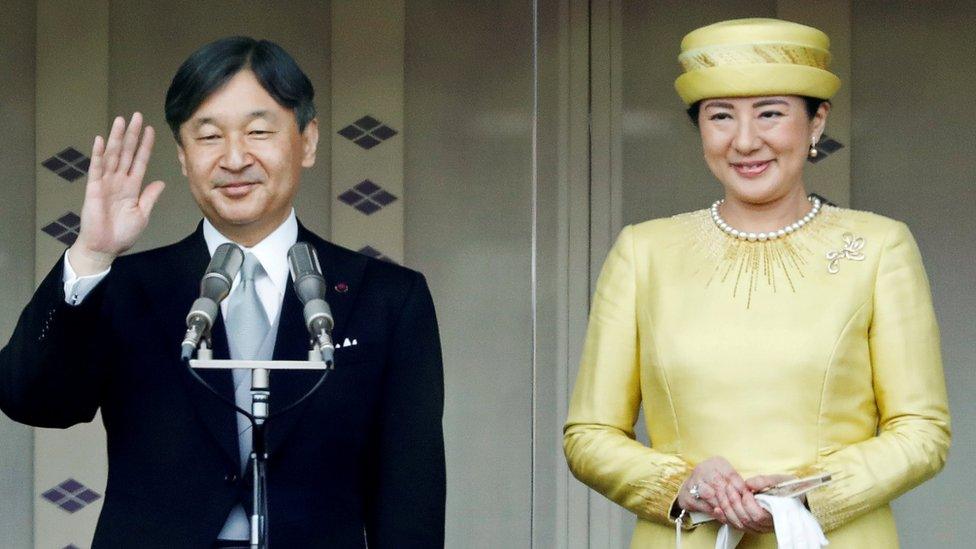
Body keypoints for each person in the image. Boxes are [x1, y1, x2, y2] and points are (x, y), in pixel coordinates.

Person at [0, 36, 445, 548]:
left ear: (308, 140)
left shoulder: (386, 298)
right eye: (208, 136)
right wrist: (92, 254)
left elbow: (411, 491)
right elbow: (30, 399)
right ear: (184, 157)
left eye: (259, 131)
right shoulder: (128, 287)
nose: (235, 158)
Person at [563, 18, 950, 548]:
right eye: (720, 116)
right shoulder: (643, 251)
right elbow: (589, 436)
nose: (745, 141)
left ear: (816, 123)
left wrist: (805, 496)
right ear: (700, 127)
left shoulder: (881, 248)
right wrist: (683, 485)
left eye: (771, 113)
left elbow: (922, 432)